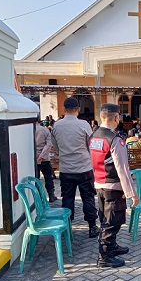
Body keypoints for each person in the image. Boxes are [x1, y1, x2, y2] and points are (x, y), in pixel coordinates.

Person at [89, 103, 139, 268]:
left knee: (105, 217)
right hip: (113, 185)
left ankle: (112, 246)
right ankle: (104, 256)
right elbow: (122, 168)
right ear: (117, 118)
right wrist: (132, 193)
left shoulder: (94, 135)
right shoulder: (115, 139)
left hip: (99, 183)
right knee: (112, 221)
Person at [51, 97, 99, 238]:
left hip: (66, 168)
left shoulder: (57, 126)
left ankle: (67, 228)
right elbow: (90, 145)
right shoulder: (84, 124)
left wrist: (65, 153)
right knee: (88, 198)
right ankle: (92, 227)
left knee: (67, 198)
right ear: (78, 109)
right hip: (84, 167)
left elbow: (56, 146)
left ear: (64, 109)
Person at [35, 120, 57, 203]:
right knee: (48, 177)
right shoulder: (44, 130)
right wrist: (41, 156)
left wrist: (36, 155)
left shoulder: (28, 130)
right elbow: (48, 144)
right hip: (45, 158)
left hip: (33, 157)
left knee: (36, 179)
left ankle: (38, 197)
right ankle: (51, 195)